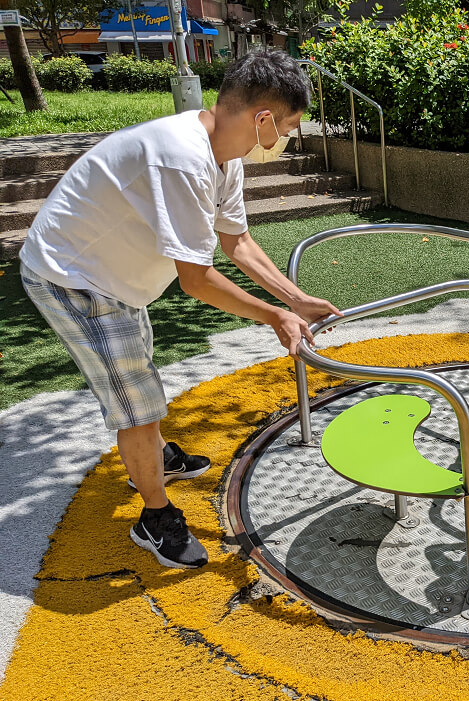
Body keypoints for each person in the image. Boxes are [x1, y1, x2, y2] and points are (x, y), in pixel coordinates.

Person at [19, 48, 339, 570]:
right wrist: (275, 317)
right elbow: (196, 280)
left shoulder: (224, 155)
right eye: (286, 127)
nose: (284, 140)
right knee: (136, 404)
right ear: (262, 119)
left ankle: (154, 457)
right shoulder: (179, 155)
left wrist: (295, 298)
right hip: (73, 277)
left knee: (137, 372)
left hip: (115, 277)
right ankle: (154, 517)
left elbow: (237, 243)